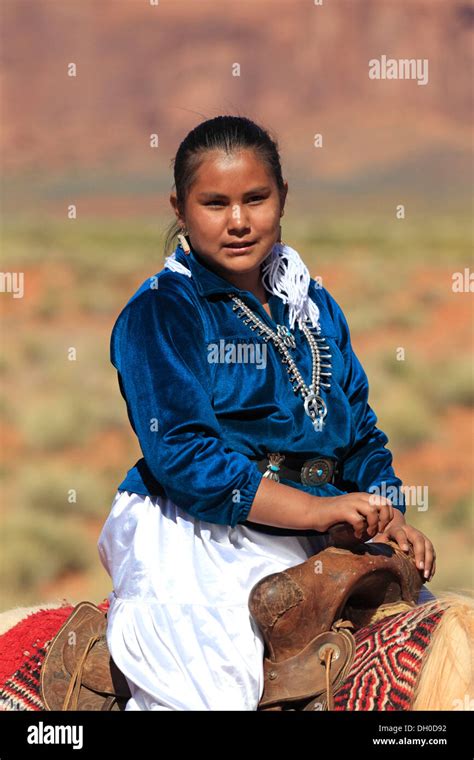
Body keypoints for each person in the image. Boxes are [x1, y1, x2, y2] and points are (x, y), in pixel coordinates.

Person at [97, 115, 436, 711]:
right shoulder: (162, 312)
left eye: (256, 199)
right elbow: (184, 456)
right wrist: (315, 507)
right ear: (180, 207)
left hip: (316, 526)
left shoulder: (313, 305)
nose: (237, 221)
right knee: (213, 689)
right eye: (214, 202)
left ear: (283, 199)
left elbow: (359, 433)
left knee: (430, 651)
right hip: (194, 529)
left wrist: (388, 517)